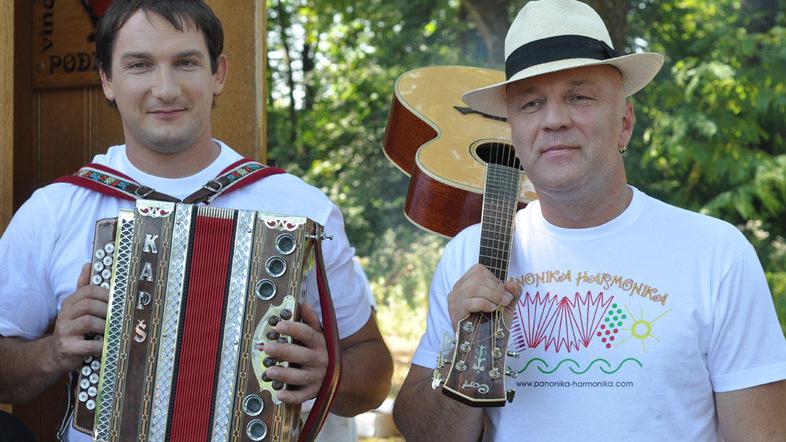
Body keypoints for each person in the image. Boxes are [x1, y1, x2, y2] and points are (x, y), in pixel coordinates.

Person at [392, 0, 786, 441]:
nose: (554, 120)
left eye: (579, 97)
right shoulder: (472, 252)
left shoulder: (716, 254)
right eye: (530, 104)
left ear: (625, 123)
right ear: (513, 132)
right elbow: (426, 435)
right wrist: (462, 354)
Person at [0, 1, 392, 441]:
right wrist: (52, 352)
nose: (165, 89)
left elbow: (373, 368)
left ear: (218, 73)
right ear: (107, 80)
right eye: (139, 65)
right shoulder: (54, 210)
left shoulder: (302, 208)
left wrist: (329, 375)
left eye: (185, 62)